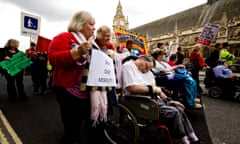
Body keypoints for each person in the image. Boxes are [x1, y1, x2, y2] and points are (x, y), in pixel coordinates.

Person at [48, 11, 111, 144]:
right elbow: (53, 58)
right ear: (80, 24)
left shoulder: (93, 44)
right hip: (69, 91)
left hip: (89, 92)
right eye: (91, 24)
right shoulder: (64, 37)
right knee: (72, 128)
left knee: (92, 126)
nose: (94, 28)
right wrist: (77, 52)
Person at [122, 55, 201, 144]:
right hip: (140, 101)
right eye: (146, 67)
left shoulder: (149, 73)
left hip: (153, 99)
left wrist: (169, 100)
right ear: (141, 59)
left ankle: (192, 137)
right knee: (174, 112)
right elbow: (131, 88)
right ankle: (185, 139)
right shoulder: (128, 66)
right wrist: (152, 89)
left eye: (148, 69)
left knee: (178, 107)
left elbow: (158, 91)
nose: (146, 70)